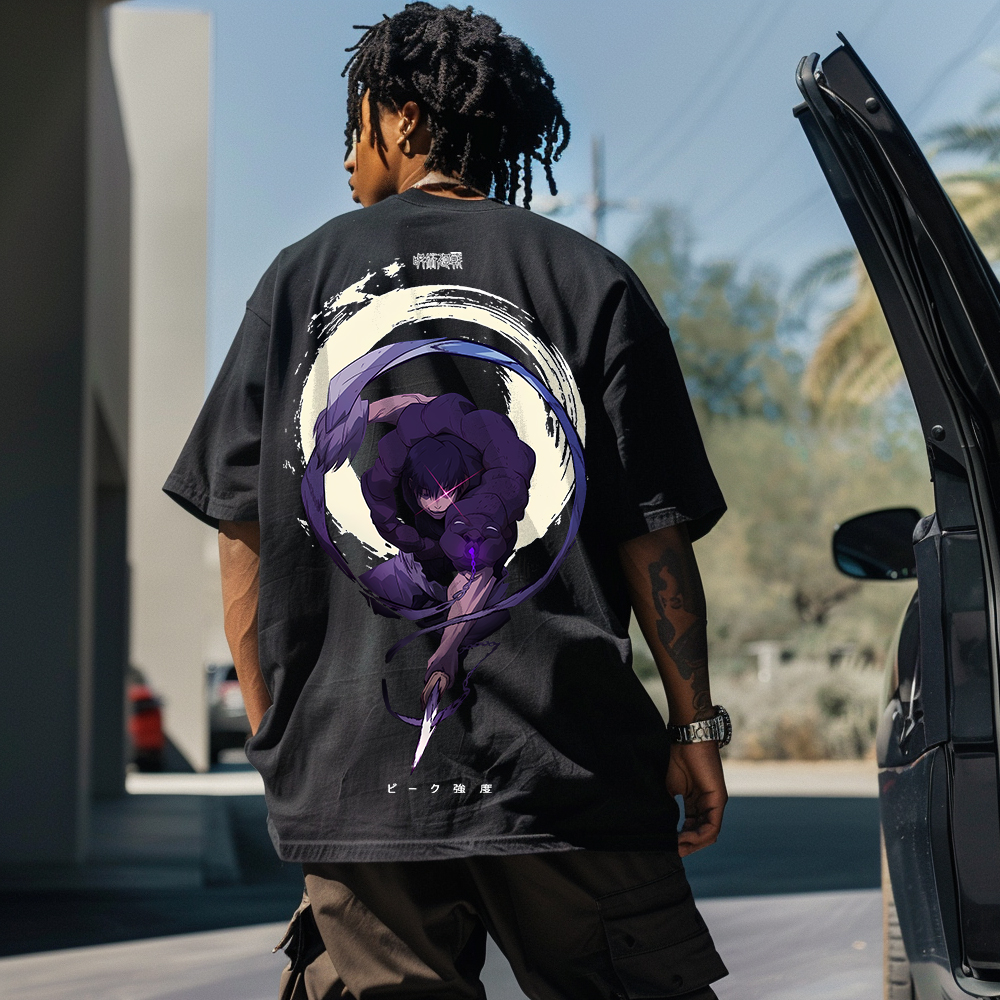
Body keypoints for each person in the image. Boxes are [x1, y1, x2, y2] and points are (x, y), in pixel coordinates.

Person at [165, 5, 731, 998]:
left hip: (357, 778)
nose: (347, 154)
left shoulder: (295, 283)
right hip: (568, 768)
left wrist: (279, 735)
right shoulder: (589, 280)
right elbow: (653, 537)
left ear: (405, 119)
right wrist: (693, 730)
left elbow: (242, 534)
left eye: (356, 122)